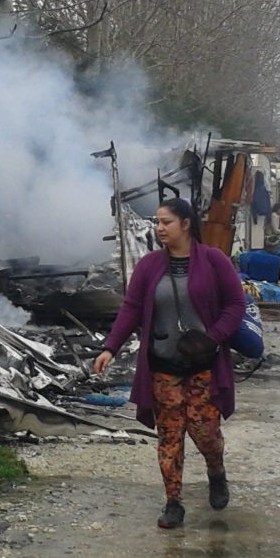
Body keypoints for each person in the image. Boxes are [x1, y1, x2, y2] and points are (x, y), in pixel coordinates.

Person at [93, 197, 248, 529]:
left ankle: (215, 471)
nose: (159, 228)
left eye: (166, 222)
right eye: (157, 222)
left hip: (203, 364)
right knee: (170, 436)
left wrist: (214, 336)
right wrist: (109, 347)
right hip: (163, 367)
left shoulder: (213, 260)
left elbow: (236, 303)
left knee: (205, 432)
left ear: (186, 223)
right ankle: (173, 501)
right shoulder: (150, 265)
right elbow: (131, 309)